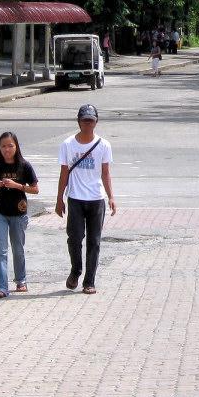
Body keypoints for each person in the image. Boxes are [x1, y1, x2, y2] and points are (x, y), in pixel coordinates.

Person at [55, 104, 117, 294]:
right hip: (75, 198)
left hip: (96, 199)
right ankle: (76, 270)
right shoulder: (67, 145)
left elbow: (106, 173)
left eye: (91, 120)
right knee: (74, 238)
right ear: (79, 122)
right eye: (84, 120)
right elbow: (64, 172)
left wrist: (111, 196)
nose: (87, 124)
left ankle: (89, 281)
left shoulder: (104, 145)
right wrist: (59, 199)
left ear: (96, 122)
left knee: (94, 241)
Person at [0, 132, 39, 298]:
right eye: (3, 146)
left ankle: (21, 280)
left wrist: (18, 185)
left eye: (10, 146)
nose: (7, 149)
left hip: (18, 213)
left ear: (16, 147)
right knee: (1, 250)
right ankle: (1, 287)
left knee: (18, 248)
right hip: (0, 212)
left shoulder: (24, 166)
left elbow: (35, 189)